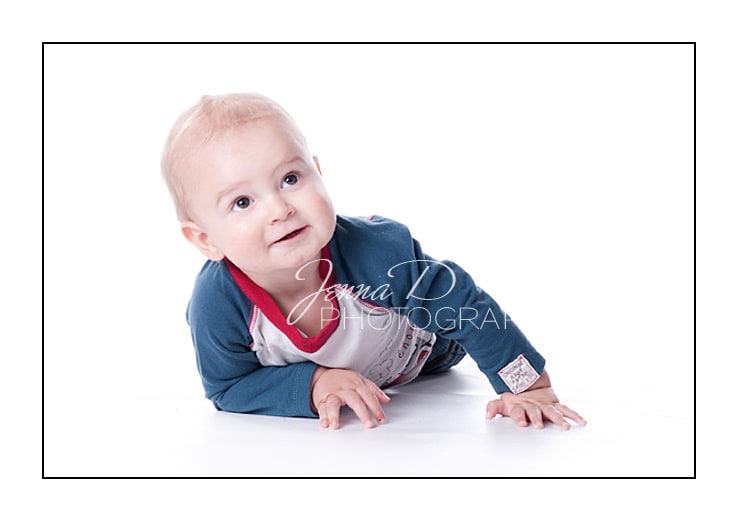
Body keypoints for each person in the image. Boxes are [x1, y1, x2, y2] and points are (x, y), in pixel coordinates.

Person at [161, 92, 586, 431]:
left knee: (445, 309)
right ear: (204, 239)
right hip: (362, 376)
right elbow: (229, 387)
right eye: (242, 202)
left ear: (317, 171)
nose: (279, 209)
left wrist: (528, 387)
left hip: (428, 351)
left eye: (290, 179)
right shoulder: (217, 305)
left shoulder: (378, 253)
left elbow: (466, 308)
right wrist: (314, 382)